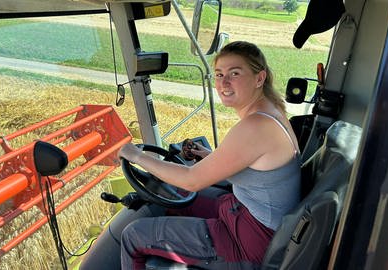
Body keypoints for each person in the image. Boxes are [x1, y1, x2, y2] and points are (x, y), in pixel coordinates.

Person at [117, 41, 301, 269]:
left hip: (248, 243)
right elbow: (252, 165)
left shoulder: (256, 126)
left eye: (234, 73)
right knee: (176, 194)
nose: (223, 82)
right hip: (245, 212)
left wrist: (137, 156)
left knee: (133, 235)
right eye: (219, 74)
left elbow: (192, 180)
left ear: (259, 78)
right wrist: (208, 156)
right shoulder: (271, 112)